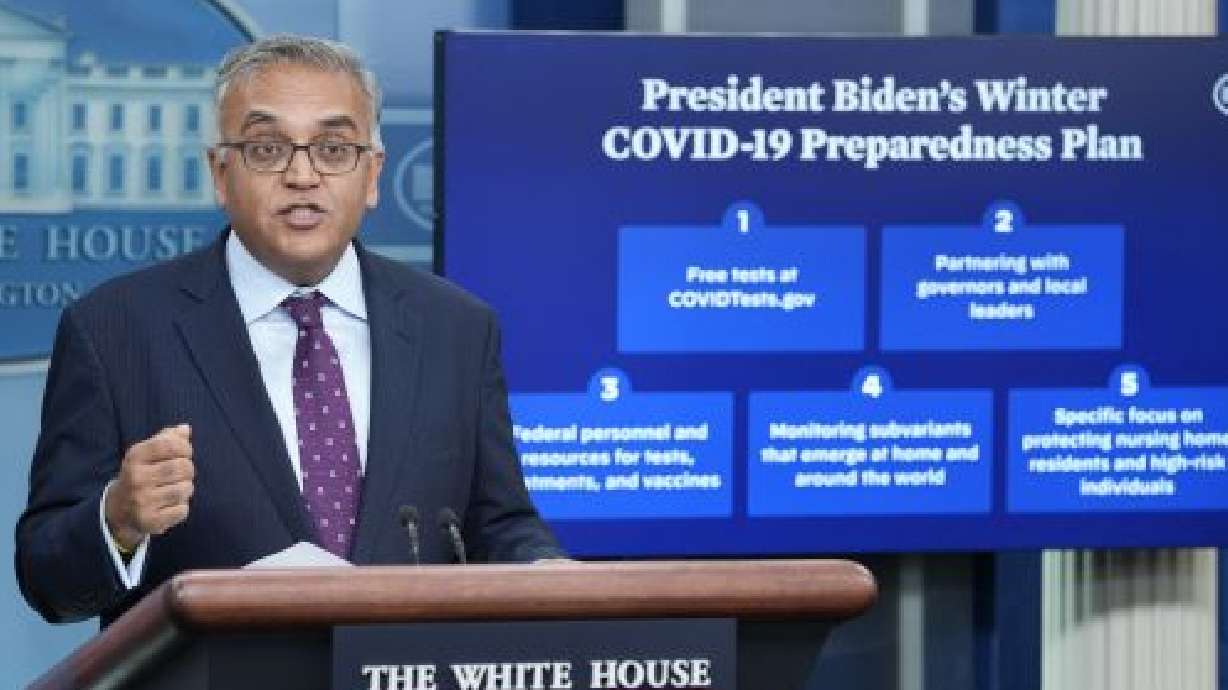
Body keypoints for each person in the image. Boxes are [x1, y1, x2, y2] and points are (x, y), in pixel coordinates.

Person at [15, 35, 565, 627]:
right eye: (267, 148)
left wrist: (548, 572)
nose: (303, 175)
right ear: (220, 173)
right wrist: (117, 521)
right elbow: (47, 580)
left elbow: (499, 524)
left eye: (333, 148)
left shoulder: (457, 328)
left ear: (373, 174)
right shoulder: (115, 329)